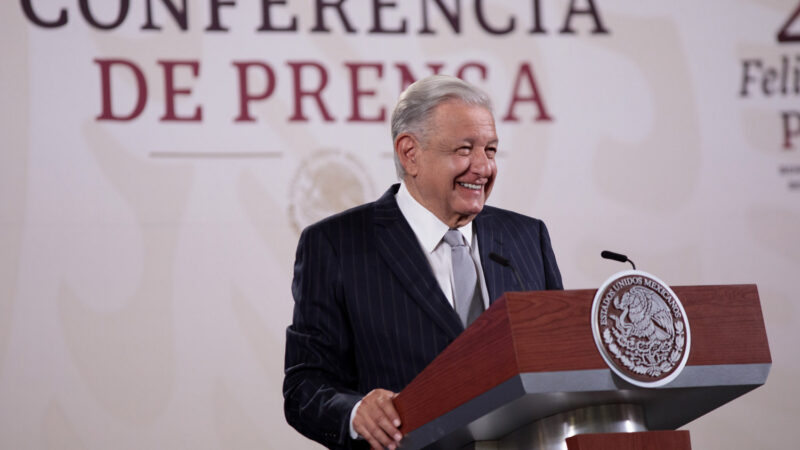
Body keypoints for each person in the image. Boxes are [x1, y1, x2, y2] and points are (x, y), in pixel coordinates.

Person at [283, 75, 562, 450]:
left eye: (491, 150)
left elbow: (558, 364)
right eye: (465, 150)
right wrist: (354, 412)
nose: (483, 167)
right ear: (409, 153)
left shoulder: (527, 238)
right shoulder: (336, 245)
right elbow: (305, 386)